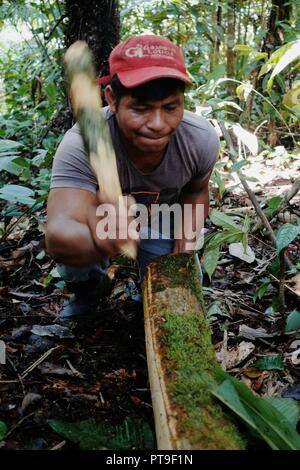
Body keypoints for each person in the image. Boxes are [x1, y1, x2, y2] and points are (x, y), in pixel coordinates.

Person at [45, 34, 220, 318]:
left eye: (171, 107)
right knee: (76, 261)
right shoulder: (79, 144)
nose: (157, 124)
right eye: (140, 109)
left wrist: (185, 243)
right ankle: (89, 290)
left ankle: (148, 294)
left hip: (161, 218)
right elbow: (59, 233)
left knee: (180, 289)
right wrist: (97, 242)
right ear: (112, 99)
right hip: (99, 221)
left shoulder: (199, 139)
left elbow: (196, 191)